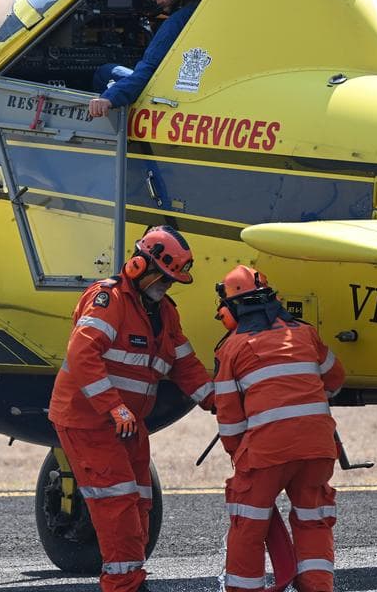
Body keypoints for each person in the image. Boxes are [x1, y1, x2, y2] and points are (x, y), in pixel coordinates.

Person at [48, 225, 216, 592]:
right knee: (119, 503)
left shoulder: (164, 313)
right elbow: (82, 354)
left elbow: (183, 362)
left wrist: (215, 400)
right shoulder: (109, 301)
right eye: (165, 277)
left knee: (139, 501)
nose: (167, 285)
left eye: (173, 281)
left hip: (126, 423)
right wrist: (114, 408)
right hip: (90, 420)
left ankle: (131, 578)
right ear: (140, 266)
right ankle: (123, 584)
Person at [212, 265, 346, 592]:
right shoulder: (305, 333)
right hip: (318, 448)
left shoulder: (231, 349)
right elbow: (335, 379)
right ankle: (317, 587)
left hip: (267, 453)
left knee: (249, 526)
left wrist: (239, 457)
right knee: (313, 520)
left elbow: (229, 421)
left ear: (232, 309)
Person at [88, 0, 205, 119]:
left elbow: (148, 70)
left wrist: (108, 98)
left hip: (169, 89)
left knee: (105, 71)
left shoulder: (177, 21)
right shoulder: (207, 5)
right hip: (195, 84)